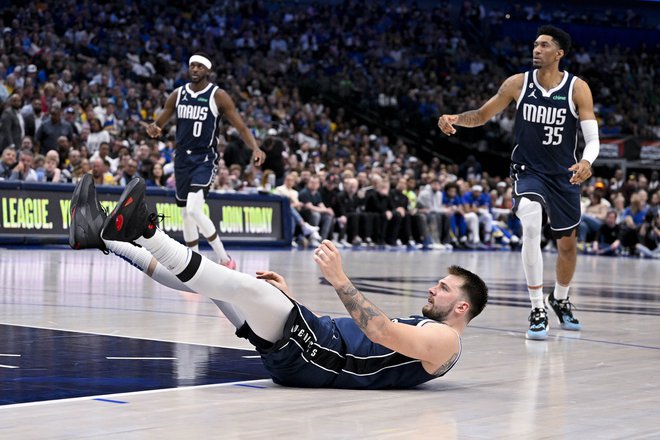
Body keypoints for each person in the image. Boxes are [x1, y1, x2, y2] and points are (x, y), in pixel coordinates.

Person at [69, 175, 489, 389]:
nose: (434, 289)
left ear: (462, 307)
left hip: (321, 359)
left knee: (245, 289)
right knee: (218, 285)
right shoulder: (431, 330)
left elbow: (375, 330)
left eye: (444, 288)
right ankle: (104, 238)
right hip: (316, 345)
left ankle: (142, 230)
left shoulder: (447, 342)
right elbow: (365, 338)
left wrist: (339, 279)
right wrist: (291, 300)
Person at [438, 25, 599, 340]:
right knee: (530, 221)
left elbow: (592, 139)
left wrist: (587, 162)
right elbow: (482, 115)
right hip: (528, 170)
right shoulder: (517, 84)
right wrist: (456, 118)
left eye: (544, 45)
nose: (537, 49)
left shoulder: (577, 88)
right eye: (535, 44)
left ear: (559, 53)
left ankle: (560, 299)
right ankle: (537, 307)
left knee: (567, 246)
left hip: (563, 174)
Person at [144, 52, 266, 269]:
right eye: (192, 66)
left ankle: (224, 258)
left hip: (204, 158)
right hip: (182, 157)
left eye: (200, 66)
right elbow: (160, 121)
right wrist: (154, 128)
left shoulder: (218, 95)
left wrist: (255, 147)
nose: (195, 69)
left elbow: (240, 126)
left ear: (207, 71)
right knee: (185, 213)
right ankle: (194, 261)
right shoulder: (177, 94)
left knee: (193, 209)